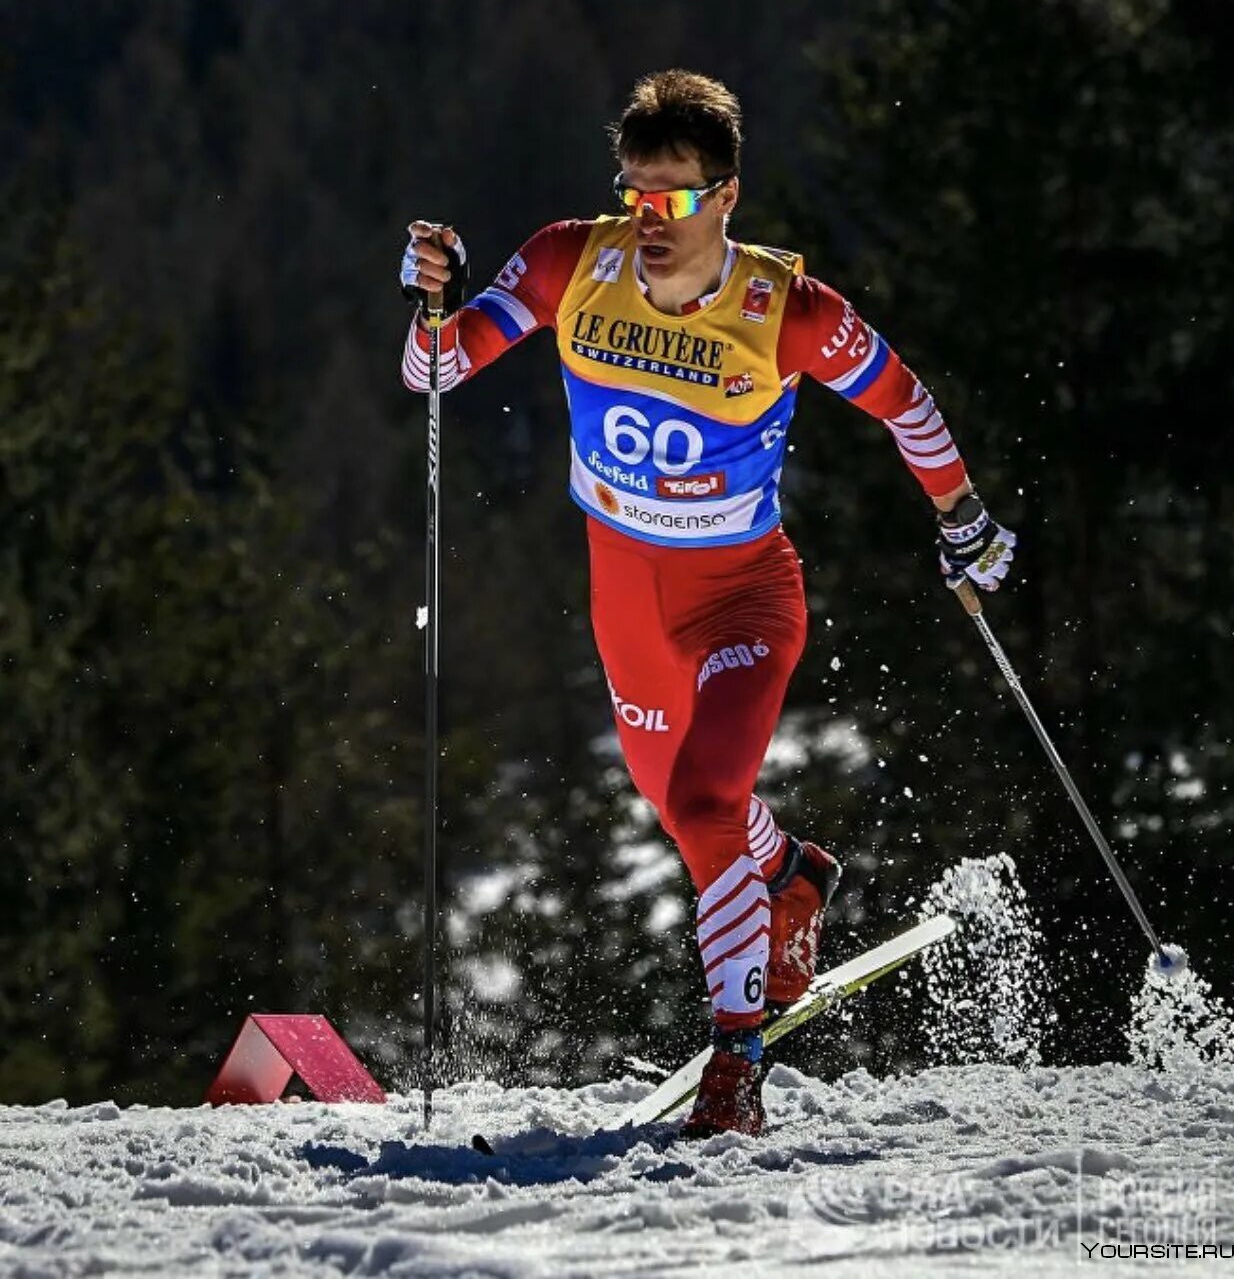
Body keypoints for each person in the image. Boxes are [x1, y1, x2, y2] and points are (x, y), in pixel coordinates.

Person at [399, 70, 1014, 1137]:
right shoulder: (569, 260)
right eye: (635, 193)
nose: (649, 220)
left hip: (742, 599)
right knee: (692, 812)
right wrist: (432, 297)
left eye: (675, 198)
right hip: (625, 600)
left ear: (726, 196)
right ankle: (791, 871)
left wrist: (962, 517)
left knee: (698, 801)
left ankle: (736, 1057)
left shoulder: (789, 311)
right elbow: (432, 373)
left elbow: (904, 400)